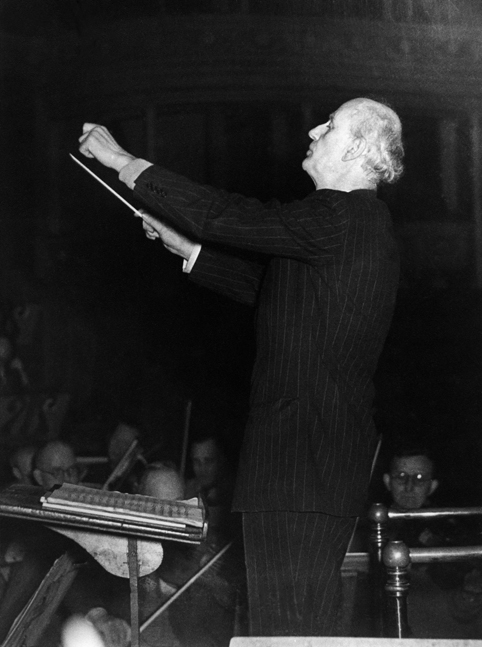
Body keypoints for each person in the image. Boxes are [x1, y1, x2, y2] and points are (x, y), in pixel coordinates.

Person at [78, 96, 404, 636]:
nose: (314, 129)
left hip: (298, 464)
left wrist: (122, 161)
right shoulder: (356, 226)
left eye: (330, 125)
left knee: (285, 632)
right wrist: (190, 250)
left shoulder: (339, 215)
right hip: (314, 465)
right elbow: (275, 293)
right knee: (296, 628)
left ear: (356, 149)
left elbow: (228, 215)